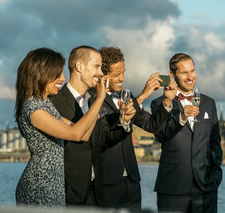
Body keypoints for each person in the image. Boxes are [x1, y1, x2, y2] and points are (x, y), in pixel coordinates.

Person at [15, 47, 107, 206]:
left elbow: (84, 135)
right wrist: (99, 100)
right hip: (40, 184)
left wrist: (97, 105)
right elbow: (75, 134)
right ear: (42, 74)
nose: (63, 78)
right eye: (57, 74)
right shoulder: (33, 108)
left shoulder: (45, 105)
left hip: (54, 183)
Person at [50, 45, 134, 206]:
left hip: (97, 193)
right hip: (69, 193)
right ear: (79, 66)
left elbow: (103, 139)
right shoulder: (56, 101)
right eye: (96, 66)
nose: (101, 73)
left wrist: (124, 121)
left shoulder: (93, 100)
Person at [98, 47, 179, 210]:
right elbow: (105, 131)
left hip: (132, 181)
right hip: (106, 181)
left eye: (123, 72)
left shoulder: (125, 96)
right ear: (103, 76)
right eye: (116, 75)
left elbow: (152, 126)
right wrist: (142, 96)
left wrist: (167, 101)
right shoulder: (94, 98)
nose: (122, 78)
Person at [150, 53, 223, 213]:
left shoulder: (209, 103)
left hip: (205, 188)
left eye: (193, 71)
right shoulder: (158, 104)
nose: (190, 77)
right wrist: (181, 117)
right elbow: (160, 135)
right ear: (172, 75)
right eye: (184, 73)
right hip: (172, 187)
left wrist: (216, 176)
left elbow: (215, 143)